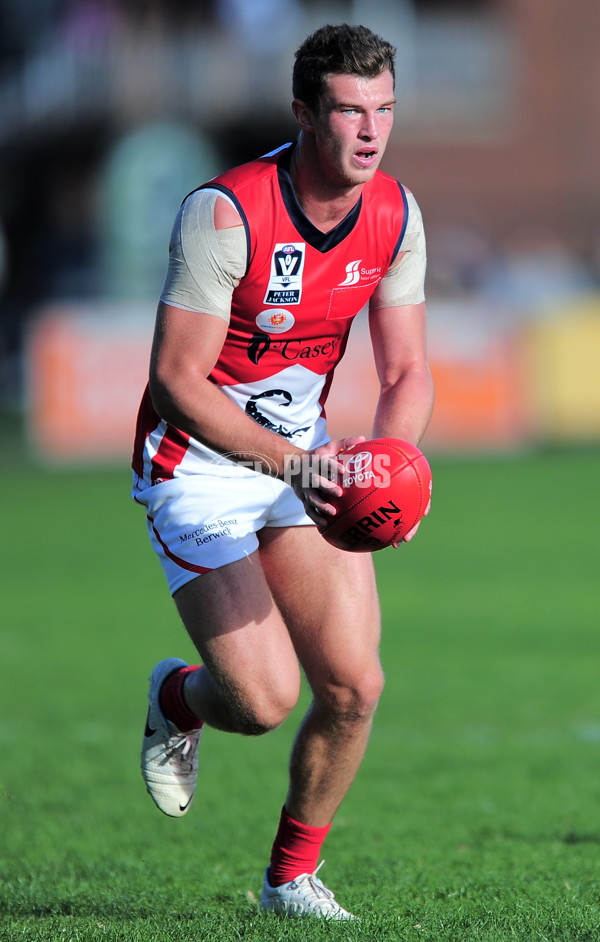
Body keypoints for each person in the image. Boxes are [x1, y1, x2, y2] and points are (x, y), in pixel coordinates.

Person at [131, 22, 434, 920]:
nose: (371, 131)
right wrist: (294, 465)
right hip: (198, 465)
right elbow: (176, 380)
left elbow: (406, 370)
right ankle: (178, 698)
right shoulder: (225, 212)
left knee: (355, 686)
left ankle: (289, 881)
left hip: (306, 458)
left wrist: (392, 465)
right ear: (304, 114)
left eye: (384, 109)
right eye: (349, 111)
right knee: (263, 702)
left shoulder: (396, 213)